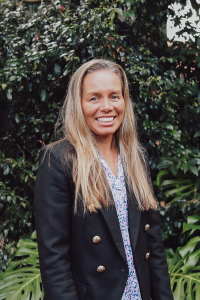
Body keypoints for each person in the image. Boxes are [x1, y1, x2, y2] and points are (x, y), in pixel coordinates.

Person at [35, 59, 173, 300]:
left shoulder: (135, 157)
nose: (107, 106)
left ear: (124, 101)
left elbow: (153, 245)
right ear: (79, 104)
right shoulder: (59, 160)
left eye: (114, 96)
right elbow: (54, 257)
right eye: (94, 98)